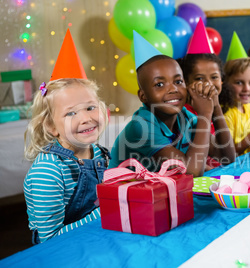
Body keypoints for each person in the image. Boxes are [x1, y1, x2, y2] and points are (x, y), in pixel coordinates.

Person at [109, 31, 235, 175]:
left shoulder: (185, 118)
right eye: (159, 84)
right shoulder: (142, 126)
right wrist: (205, 114)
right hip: (124, 193)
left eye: (178, 81)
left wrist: (216, 107)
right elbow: (191, 171)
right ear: (143, 96)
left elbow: (227, 158)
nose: (173, 89)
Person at [23, 78, 110, 244]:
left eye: (90, 107)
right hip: (63, 252)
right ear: (51, 126)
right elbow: (49, 239)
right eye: (71, 113)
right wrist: (104, 211)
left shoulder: (99, 153)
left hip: (98, 237)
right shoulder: (48, 172)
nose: (86, 118)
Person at [178, 53, 235, 169]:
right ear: (187, 83)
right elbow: (192, 165)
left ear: (222, 81)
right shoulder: (185, 115)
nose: (208, 83)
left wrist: (216, 107)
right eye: (199, 78)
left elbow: (228, 157)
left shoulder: (215, 109)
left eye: (214, 77)